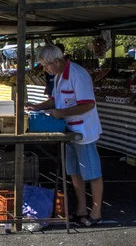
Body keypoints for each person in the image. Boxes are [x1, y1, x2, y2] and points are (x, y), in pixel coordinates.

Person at [26, 44, 103, 226]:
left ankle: (96, 213)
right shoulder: (59, 76)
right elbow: (55, 99)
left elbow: (88, 104)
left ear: (58, 61)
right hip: (68, 131)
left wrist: (61, 113)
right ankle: (81, 209)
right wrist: (36, 107)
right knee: (74, 173)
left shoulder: (78, 75)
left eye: (47, 66)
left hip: (83, 131)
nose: (45, 69)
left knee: (92, 173)